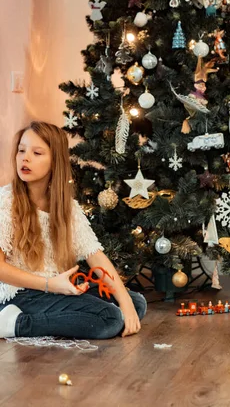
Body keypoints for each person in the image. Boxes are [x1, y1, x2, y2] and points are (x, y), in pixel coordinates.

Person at [0, 121, 147, 339]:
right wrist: (50, 285)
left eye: (37, 152)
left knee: (136, 303)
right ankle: (16, 324)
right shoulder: (6, 202)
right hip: (20, 292)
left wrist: (124, 301)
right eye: (21, 150)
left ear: (55, 161)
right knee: (110, 319)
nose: (25, 158)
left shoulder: (66, 207)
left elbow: (95, 256)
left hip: (55, 286)